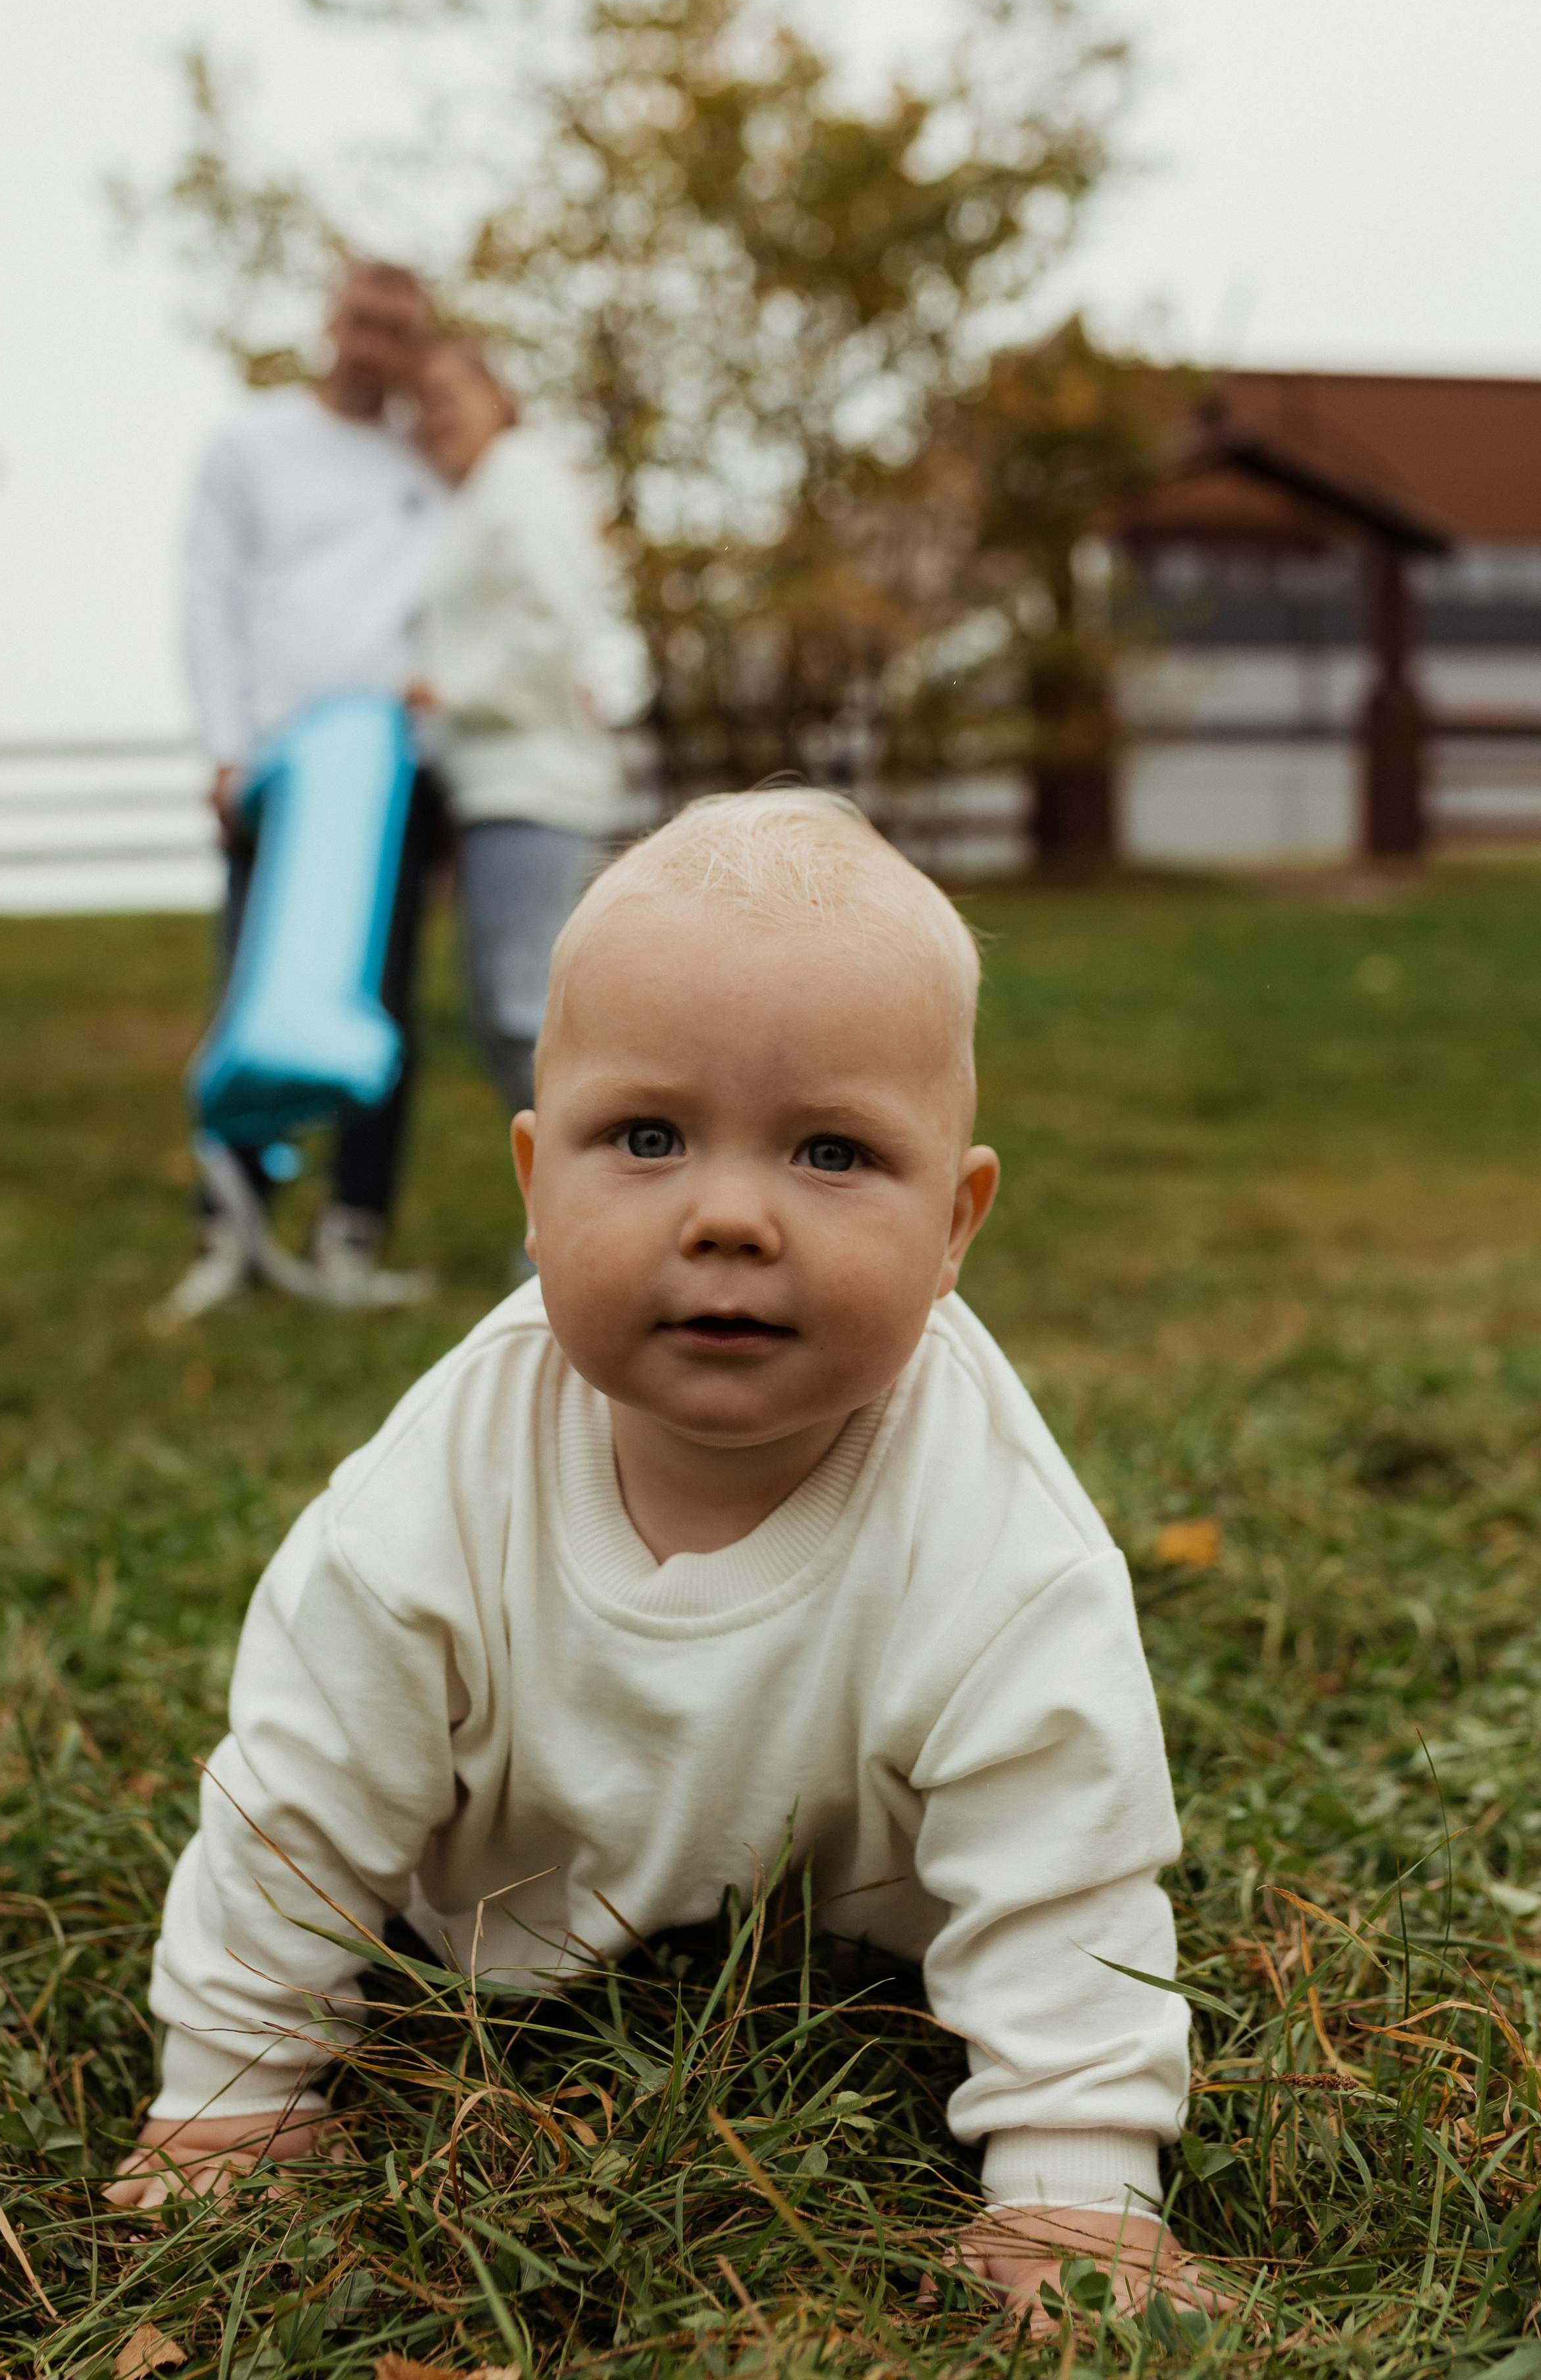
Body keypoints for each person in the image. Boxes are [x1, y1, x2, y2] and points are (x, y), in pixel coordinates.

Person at [108, 788, 1206, 2332]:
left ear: (954, 1221)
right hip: (496, 1904)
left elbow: (1060, 1859)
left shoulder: (998, 1531)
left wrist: (1071, 2194)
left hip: (855, 1916)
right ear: (529, 1180)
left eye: (829, 1150)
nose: (730, 1216)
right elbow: (297, 1791)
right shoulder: (429, 1499)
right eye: (644, 1136)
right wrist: (230, 2093)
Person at [158, 260, 451, 1327]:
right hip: (282, 767)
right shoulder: (252, 448)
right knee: (252, 985)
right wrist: (227, 744)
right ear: (331, 322)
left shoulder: (429, 461)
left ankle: (352, 1229)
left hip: (400, 766)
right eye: (363, 322)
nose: (376, 345)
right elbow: (210, 591)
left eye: (399, 331)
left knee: (387, 1002)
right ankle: (226, 1228)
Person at [407, 331, 649, 1123]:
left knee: (522, 1012)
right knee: (505, 1010)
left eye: (450, 396)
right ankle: (577, 1218)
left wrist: (446, 694)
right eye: (422, 404)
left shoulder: (517, 474)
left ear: (498, 397)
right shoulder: (484, 493)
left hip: (533, 786)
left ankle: (596, 1216)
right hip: (498, 786)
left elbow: (549, 623)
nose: (433, 416)